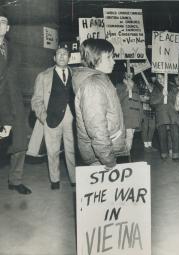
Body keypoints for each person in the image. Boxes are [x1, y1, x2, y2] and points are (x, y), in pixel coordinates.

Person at [73, 38, 126, 168]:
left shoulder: (99, 80)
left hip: (104, 151)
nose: (113, 61)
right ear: (95, 58)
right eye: (109, 57)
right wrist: (109, 161)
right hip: (101, 157)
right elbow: (97, 129)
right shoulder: (93, 85)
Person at [31, 42, 76, 190]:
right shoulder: (43, 76)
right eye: (59, 54)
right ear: (54, 57)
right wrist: (43, 117)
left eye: (65, 54)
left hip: (71, 119)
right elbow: (36, 100)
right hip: (51, 119)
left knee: (72, 150)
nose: (62, 56)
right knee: (53, 151)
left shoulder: (76, 75)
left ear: (69, 57)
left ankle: (74, 179)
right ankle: (55, 180)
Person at [0, 11, 31, 194]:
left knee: (19, 143)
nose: (0, 26)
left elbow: (20, 77)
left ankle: (15, 180)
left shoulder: (15, 49)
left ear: (8, 28)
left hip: (15, 102)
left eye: (3, 22)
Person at [150, 73, 179, 160]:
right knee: (162, 136)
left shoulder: (173, 87)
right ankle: (164, 154)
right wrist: (162, 95)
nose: (160, 80)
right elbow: (152, 102)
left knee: (175, 134)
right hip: (161, 115)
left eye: (162, 77)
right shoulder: (156, 89)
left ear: (166, 77)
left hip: (173, 114)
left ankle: (175, 155)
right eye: (158, 78)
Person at [116, 70, 142, 153]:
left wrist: (141, 115)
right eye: (127, 73)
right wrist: (127, 89)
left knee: (130, 136)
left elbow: (138, 100)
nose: (129, 75)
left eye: (131, 73)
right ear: (124, 74)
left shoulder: (135, 86)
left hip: (135, 115)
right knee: (128, 135)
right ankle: (126, 154)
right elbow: (117, 99)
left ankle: (126, 153)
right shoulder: (119, 86)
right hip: (125, 114)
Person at [139, 73, 156, 150]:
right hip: (145, 109)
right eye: (153, 77)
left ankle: (150, 143)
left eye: (155, 77)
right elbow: (141, 98)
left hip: (153, 110)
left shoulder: (156, 87)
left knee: (152, 127)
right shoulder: (143, 85)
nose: (154, 78)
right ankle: (145, 143)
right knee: (145, 127)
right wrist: (150, 99)